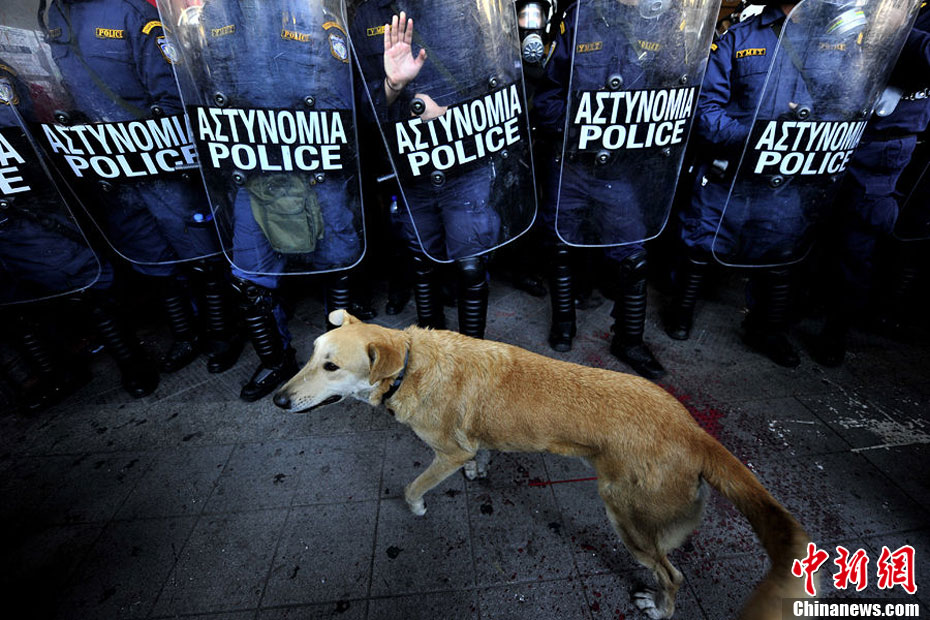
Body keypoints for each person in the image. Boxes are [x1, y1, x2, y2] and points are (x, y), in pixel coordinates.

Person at [38, 0, 244, 377]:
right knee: (151, 258)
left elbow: (174, 93)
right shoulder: (54, 15)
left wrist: (155, 146)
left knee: (200, 251)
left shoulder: (130, 11)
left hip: (159, 161)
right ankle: (186, 332)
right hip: (111, 168)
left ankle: (223, 331)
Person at [178, 0, 364, 400]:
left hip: (314, 170)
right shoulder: (216, 17)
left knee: (338, 265)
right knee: (248, 279)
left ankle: (340, 362)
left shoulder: (310, 15)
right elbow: (205, 92)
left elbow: (343, 102)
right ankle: (276, 359)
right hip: (254, 174)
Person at [531, 0, 711, 379]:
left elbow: (675, 99)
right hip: (574, 163)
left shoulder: (666, 23)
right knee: (559, 245)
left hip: (623, 171)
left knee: (633, 257)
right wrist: (581, 128)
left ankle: (629, 339)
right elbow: (547, 98)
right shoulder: (580, 16)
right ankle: (563, 323)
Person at [348, 3, 536, 339]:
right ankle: (431, 346)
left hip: (466, 162)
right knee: (422, 261)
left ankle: (471, 355)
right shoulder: (367, 16)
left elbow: (497, 77)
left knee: (471, 264)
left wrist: (451, 115)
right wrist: (392, 85)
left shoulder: (463, 6)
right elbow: (361, 103)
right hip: (412, 168)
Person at [1, 62, 158, 404]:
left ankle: (132, 362)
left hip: (22, 206)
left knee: (83, 281)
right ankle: (56, 372)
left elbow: (17, 137)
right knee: (14, 300)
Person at [813, 3, 930, 366]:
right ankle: (791, 306)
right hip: (839, 122)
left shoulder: (914, 16)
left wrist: (895, 28)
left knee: (859, 235)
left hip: (884, 142)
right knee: (814, 216)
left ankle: (836, 329)